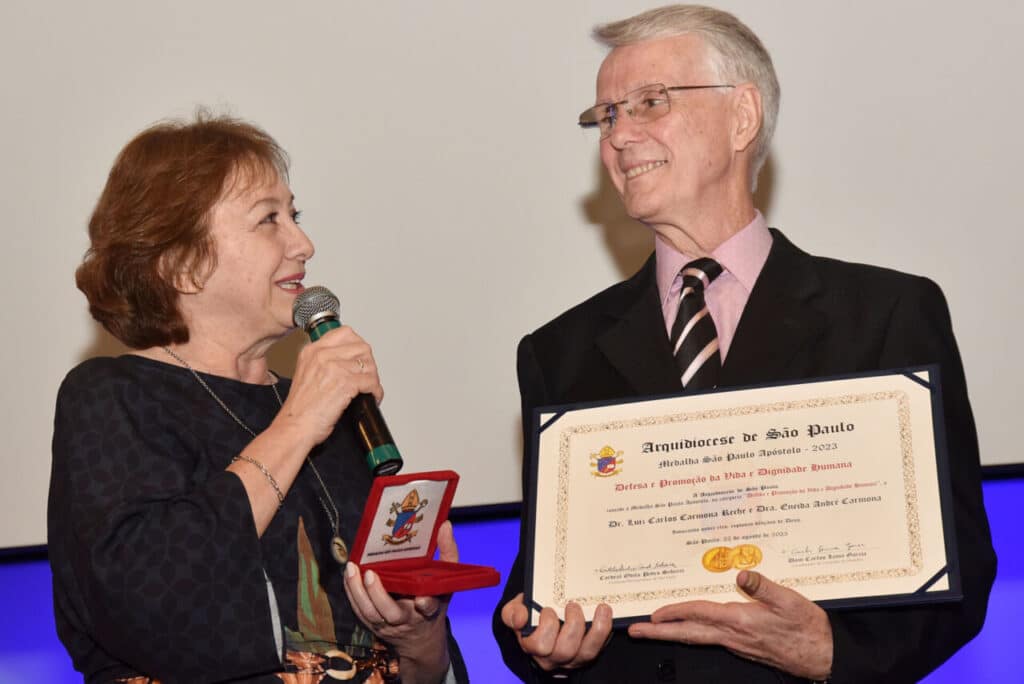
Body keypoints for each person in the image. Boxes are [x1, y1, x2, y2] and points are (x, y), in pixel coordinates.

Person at [493, 5, 996, 683]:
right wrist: (544, 649)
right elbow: (537, 594)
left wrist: (835, 655)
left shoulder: (887, 315)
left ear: (742, 117)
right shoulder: (558, 351)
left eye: (649, 102)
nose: (619, 136)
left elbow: (958, 570)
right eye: (606, 115)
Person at [49, 114, 467, 683]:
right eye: (268, 219)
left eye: (295, 215)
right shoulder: (112, 397)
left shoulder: (332, 412)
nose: (303, 243)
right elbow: (144, 600)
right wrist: (298, 424)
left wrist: (420, 639)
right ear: (183, 264)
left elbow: (416, 669)